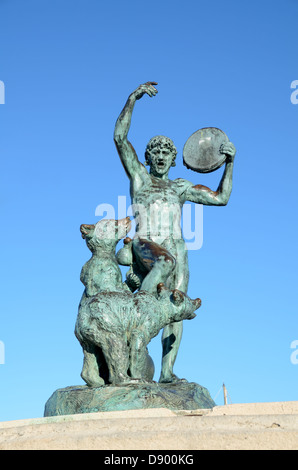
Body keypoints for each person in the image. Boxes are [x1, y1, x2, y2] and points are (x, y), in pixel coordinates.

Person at [113, 82, 236, 383]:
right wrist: (133, 99)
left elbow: (221, 198)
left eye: (165, 153)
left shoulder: (180, 186)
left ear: (172, 158)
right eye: (154, 152)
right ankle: (133, 347)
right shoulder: (140, 178)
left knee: (177, 304)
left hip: (176, 249)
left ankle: (167, 372)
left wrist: (230, 163)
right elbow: (119, 137)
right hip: (146, 247)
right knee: (155, 285)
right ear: (148, 157)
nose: (160, 157)